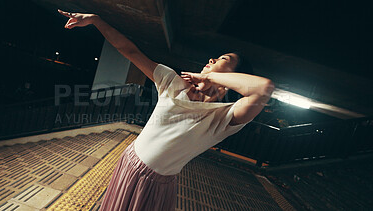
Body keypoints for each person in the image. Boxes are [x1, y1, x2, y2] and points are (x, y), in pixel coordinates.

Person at [58, 9, 275, 211]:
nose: (212, 59)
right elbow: (129, 50)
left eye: (223, 59)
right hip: (130, 162)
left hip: (157, 185)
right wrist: (96, 20)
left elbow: (264, 89)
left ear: (233, 76)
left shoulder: (226, 116)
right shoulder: (173, 82)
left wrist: (208, 77)